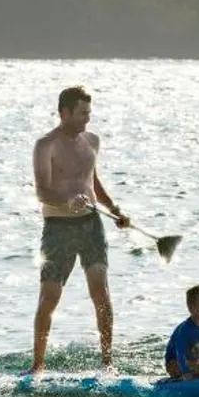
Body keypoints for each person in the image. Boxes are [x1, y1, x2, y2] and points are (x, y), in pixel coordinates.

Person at [31, 85, 131, 375]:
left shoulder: (92, 141)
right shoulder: (45, 145)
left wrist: (114, 209)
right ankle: (38, 366)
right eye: (81, 113)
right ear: (65, 112)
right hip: (57, 227)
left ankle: (107, 363)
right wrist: (67, 201)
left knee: (101, 292)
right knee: (49, 297)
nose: (87, 119)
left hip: (91, 225)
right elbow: (42, 191)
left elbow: (92, 180)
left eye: (89, 112)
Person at [164, 284, 199, 381]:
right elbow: (180, 353)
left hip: (193, 363)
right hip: (175, 364)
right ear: (191, 307)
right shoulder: (184, 329)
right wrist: (186, 373)